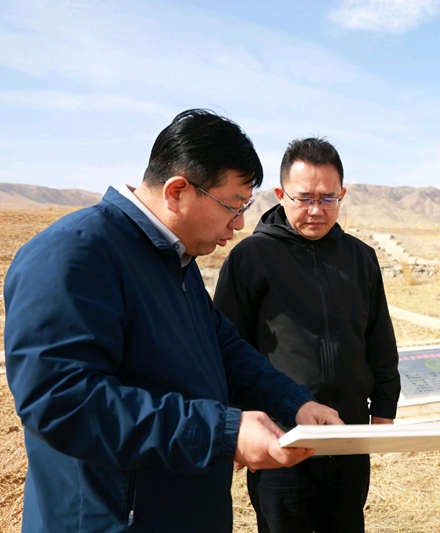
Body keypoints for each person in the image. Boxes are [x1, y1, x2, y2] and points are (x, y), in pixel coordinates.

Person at [3, 109, 343, 533]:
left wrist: (294, 403)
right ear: (177, 191)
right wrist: (222, 431)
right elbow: (61, 400)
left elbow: (224, 350)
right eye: (232, 206)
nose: (240, 223)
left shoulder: (175, 260)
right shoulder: (74, 255)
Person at [213, 137, 401, 533]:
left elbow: (379, 340)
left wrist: (384, 410)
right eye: (304, 198)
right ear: (281, 194)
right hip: (281, 439)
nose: (316, 210)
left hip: (348, 438)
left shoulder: (361, 258)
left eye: (328, 198)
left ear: (342, 195)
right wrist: (234, 421)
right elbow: (226, 348)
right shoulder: (250, 258)